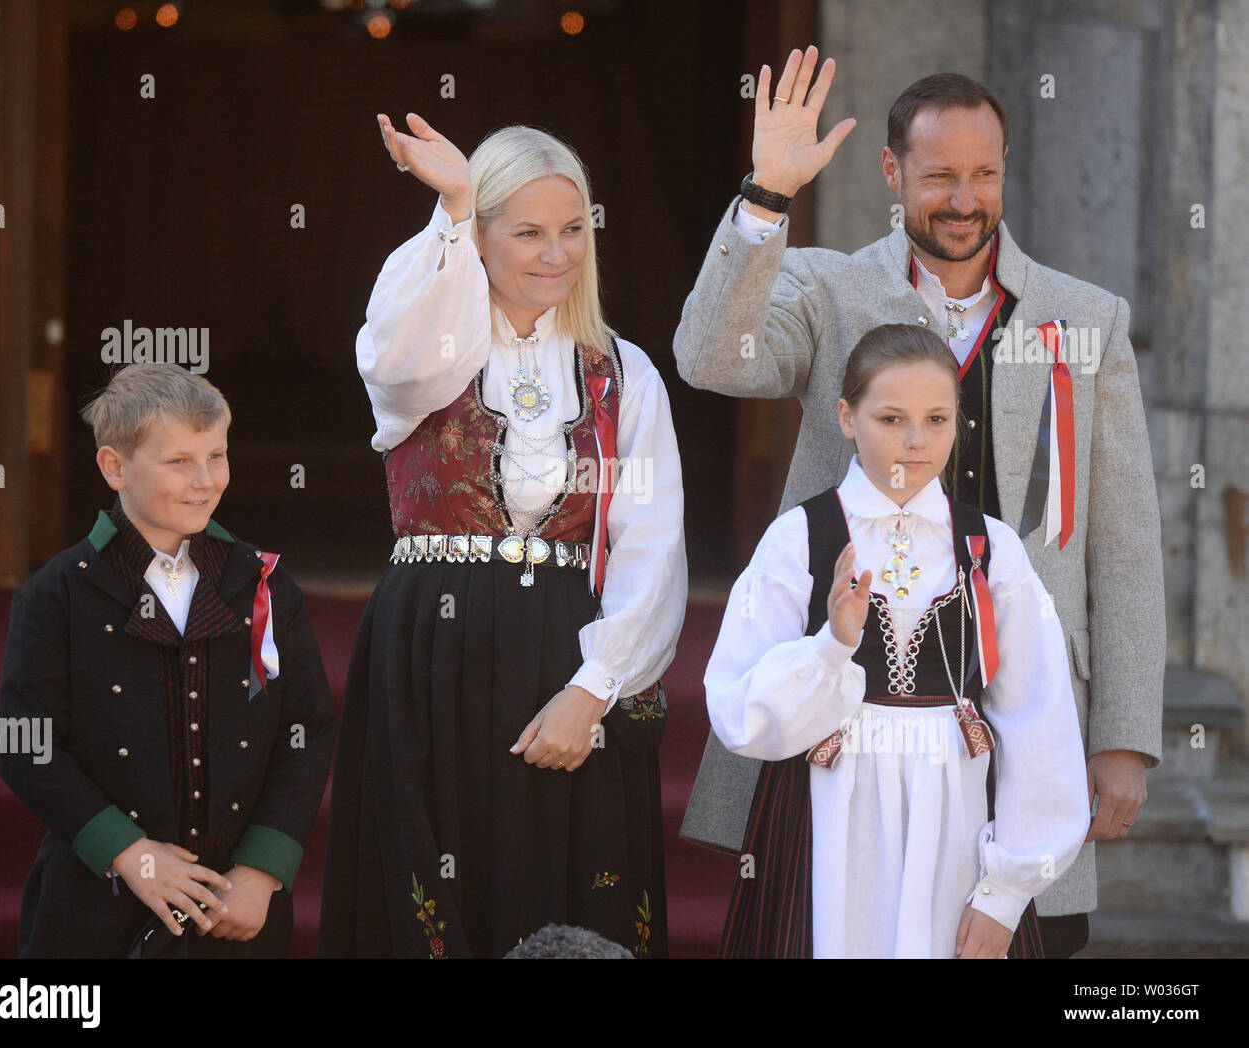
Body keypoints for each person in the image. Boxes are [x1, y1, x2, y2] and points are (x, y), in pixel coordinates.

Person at [675, 49, 1164, 956]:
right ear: (894, 172)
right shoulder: (828, 288)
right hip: (845, 743)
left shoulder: (1082, 316)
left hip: (1023, 727)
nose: (965, 197)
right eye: (940, 175)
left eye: (985, 172)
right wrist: (765, 200)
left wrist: (1126, 731)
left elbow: (1125, 544)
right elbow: (708, 356)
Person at [317, 113, 687, 958]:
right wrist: (449, 203)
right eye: (527, 232)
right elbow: (394, 352)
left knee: (569, 883)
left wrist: (596, 689)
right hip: (431, 648)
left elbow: (651, 542)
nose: (556, 253)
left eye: (571, 230)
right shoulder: (435, 349)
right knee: (431, 889)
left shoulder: (623, 372)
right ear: (477, 239)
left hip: (570, 649)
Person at [706, 323, 1089, 958]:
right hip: (827, 817)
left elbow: (1038, 718)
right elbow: (739, 712)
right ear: (846, 418)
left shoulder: (991, 549)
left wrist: (1005, 893)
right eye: (891, 418)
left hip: (957, 821)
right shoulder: (798, 538)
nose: (916, 441)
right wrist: (832, 645)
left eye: (937, 419)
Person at [0, 363, 337, 958]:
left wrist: (262, 869)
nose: (204, 480)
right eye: (178, 461)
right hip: (97, 900)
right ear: (114, 467)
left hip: (234, 904)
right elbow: (29, 744)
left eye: (216, 455)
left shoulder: (264, 584)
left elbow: (306, 730)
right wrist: (127, 851)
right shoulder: (58, 594)